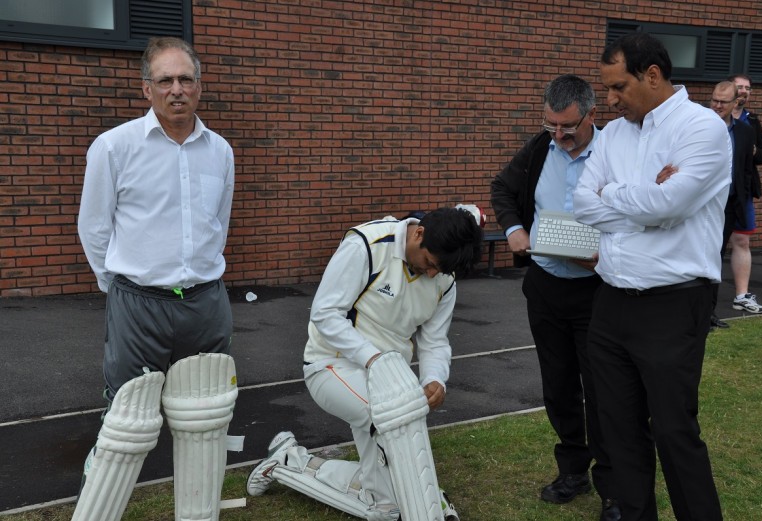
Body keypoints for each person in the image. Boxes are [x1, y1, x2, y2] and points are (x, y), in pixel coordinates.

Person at [74, 37, 236, 521]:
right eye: (165, 80)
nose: (177, 89)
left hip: (206, 304)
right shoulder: (114, 147)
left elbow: (218, 225)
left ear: (199, 87)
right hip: (137, 304)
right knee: (127, 418)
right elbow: (95, 228)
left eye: (186, 79)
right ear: (147, 89)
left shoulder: (220, 151)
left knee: (206, 416)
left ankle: (198, 510)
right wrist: (121, 288)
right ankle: (98, 506)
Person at [573, 33, 728, 520]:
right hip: (611, 302)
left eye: (619, 87)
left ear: (653, 76)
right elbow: (582, 205)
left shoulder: (701, 129)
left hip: (673, 303)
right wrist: (645, 203)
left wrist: (616, 195)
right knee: (618, 432)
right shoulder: (614, 134)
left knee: (674, 431)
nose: (611, 100)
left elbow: (672, 203)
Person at [246, 206, 483, 521]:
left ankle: (291, 462)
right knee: (395, 422)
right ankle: (432, 504)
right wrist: (373, 359)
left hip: (389, 379)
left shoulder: (444, 277)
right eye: (429, 263)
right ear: (419, 233)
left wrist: (435, 378)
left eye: (438, 271)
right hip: (332, 364)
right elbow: (325, 312)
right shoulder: (367, 245)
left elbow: (434, 341)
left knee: (385, 505)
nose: (431, 274)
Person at [490, 74, 619, 521]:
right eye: (550, 126)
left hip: (596, 291)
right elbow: (503, 189)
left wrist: (608, 254)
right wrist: (514, 229)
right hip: (545, 288)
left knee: (603, 391)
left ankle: (614, 488)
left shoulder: (614, 152)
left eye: (567, 127)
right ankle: (572, 472)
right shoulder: (537, 149)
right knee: (558, 385)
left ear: (591, 116)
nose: (559, 136)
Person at [717, 73, 762, 316]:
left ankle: (742, 295)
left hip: (742, 190)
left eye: (747, 88)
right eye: (739, 87)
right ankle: (706, 300)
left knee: (742, 240)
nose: (744, 91)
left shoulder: (752, 121)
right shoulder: (712, 118)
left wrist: (752, 150)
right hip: (718, 192)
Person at [708, 81, 758, 329]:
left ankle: (709, 314)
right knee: (701, 255)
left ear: (735, 102)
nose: (717, 105)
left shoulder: (745, 132)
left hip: (728, 204)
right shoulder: (699, 125)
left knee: (716, 257)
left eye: (723, 102)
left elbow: (745, 170)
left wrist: (741, 198)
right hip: (699, 204)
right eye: (714, 100)